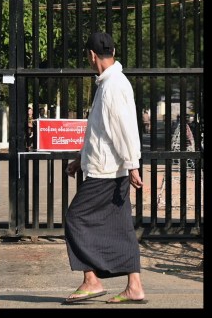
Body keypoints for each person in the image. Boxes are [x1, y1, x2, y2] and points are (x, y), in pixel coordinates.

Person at [64, 32, 145, 304]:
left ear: (92, 55)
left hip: (107, 173)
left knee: (75, 218)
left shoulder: (113, 86)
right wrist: (80, 159)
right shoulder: (108, 84)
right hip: (110, 168)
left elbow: (124, 129)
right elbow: (98, 132)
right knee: (121, 226)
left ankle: (91, 280)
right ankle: (134, 286)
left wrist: (133, 164)